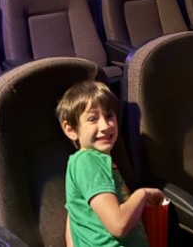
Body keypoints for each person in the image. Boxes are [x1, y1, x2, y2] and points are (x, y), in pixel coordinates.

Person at [57, 80, 160, 247]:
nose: (105, 126)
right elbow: (118, 225)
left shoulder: (96, 162)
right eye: (92, 119)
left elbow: (74, 213)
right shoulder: (88, 162)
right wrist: (142, 195)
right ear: (71, 130)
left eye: (109, 115)